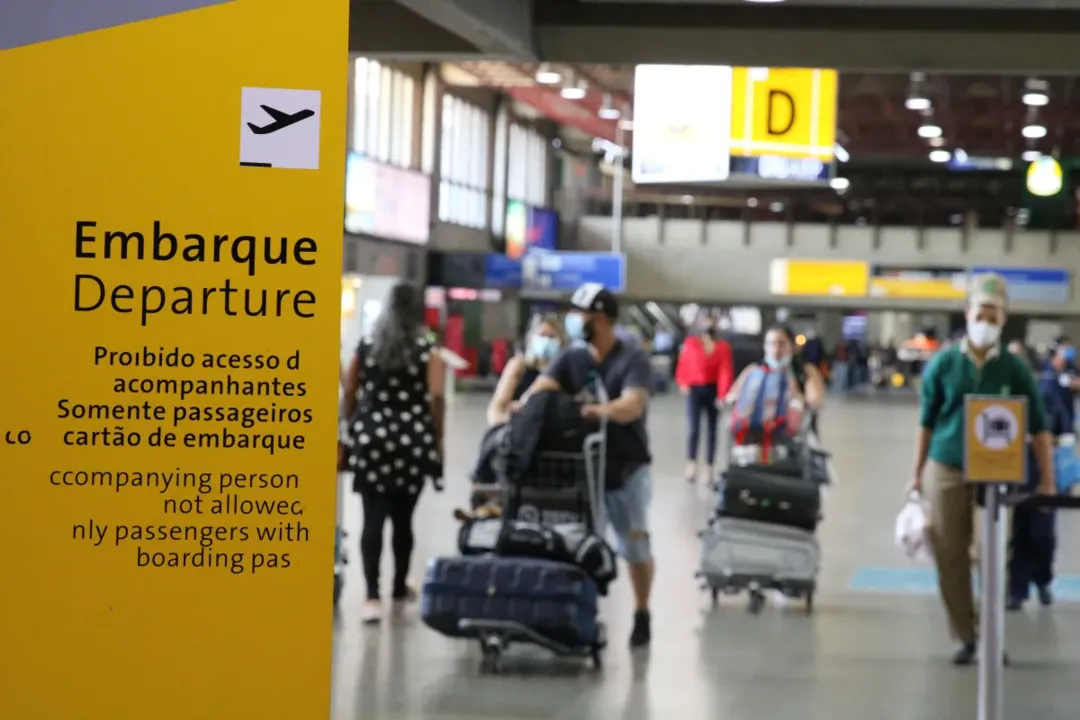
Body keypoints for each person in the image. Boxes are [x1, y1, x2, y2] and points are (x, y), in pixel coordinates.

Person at [911, 273, 1055, 665]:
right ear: (967, 313)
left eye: (994, 316)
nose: (986, 322)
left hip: (995, 472)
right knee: (950, 555)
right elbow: (926, 423)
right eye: (981, 314)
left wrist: (1047, 479)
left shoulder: (1014, 368)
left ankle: (992, 636)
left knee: (990, 556)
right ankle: (968, 636)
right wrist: (916, 473)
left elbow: (1039, 427)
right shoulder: (943, 364)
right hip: (947, 465)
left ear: (1004, 319)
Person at [521, 283, 656, 649]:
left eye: (579, 314)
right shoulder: (572, 357)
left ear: (598, 318)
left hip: (626, 469)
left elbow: (633, 405)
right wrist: (527, 404)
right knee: (580, 545)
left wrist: (596, 411)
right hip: (584, 470)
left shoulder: (632, 358)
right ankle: (579, 614)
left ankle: (642, 611)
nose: (574, 320)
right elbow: (541, 390)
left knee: (635, 546)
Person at [339, 283, 446, 625]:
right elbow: (436, 395)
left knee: (372, 517)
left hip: (372, 438)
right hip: (412, 440)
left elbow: (351, 388)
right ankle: (398, 587)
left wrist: (352, 422)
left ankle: (371, 597)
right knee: (403, 519)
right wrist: (437, 436)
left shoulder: (368, 345)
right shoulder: (426, 349)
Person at [1007, 346, 1070, 611]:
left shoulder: (1047, 396)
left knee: (1042, 536)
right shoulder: (1005, 400)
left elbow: (1065, 433)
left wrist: (1045, 442)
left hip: (1046, 475)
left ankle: (1043, 580)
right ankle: (1016, 590)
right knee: (1020, 534)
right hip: (1017, 475)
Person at [675, 315, 734, 482]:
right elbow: (684, 363)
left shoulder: (722, 347)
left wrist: (722, 395)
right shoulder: (691, 343)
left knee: (712, 429)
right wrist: (683, 381)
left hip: (713, 389)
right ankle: (691, 463)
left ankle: (709, 466)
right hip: (694, 389)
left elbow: (725, 371)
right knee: (693, 428)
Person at [725, 325, 826, 416]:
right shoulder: (753, 370)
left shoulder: (806, 371)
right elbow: (732, 396)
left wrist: (795, 393)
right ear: (764, 346)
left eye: (782, 344)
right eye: (771, 344)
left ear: (792, 346)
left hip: (796, 429)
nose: (776, 350)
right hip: (756, 428)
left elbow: (815, 403)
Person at [487, 314, 567, 426]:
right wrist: (514, 422)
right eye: (542, 335)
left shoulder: (564, 370)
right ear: (532, 338)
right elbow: (495, 411)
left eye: (551, 337)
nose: (546, 341)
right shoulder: (519, 365)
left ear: (561, 341)